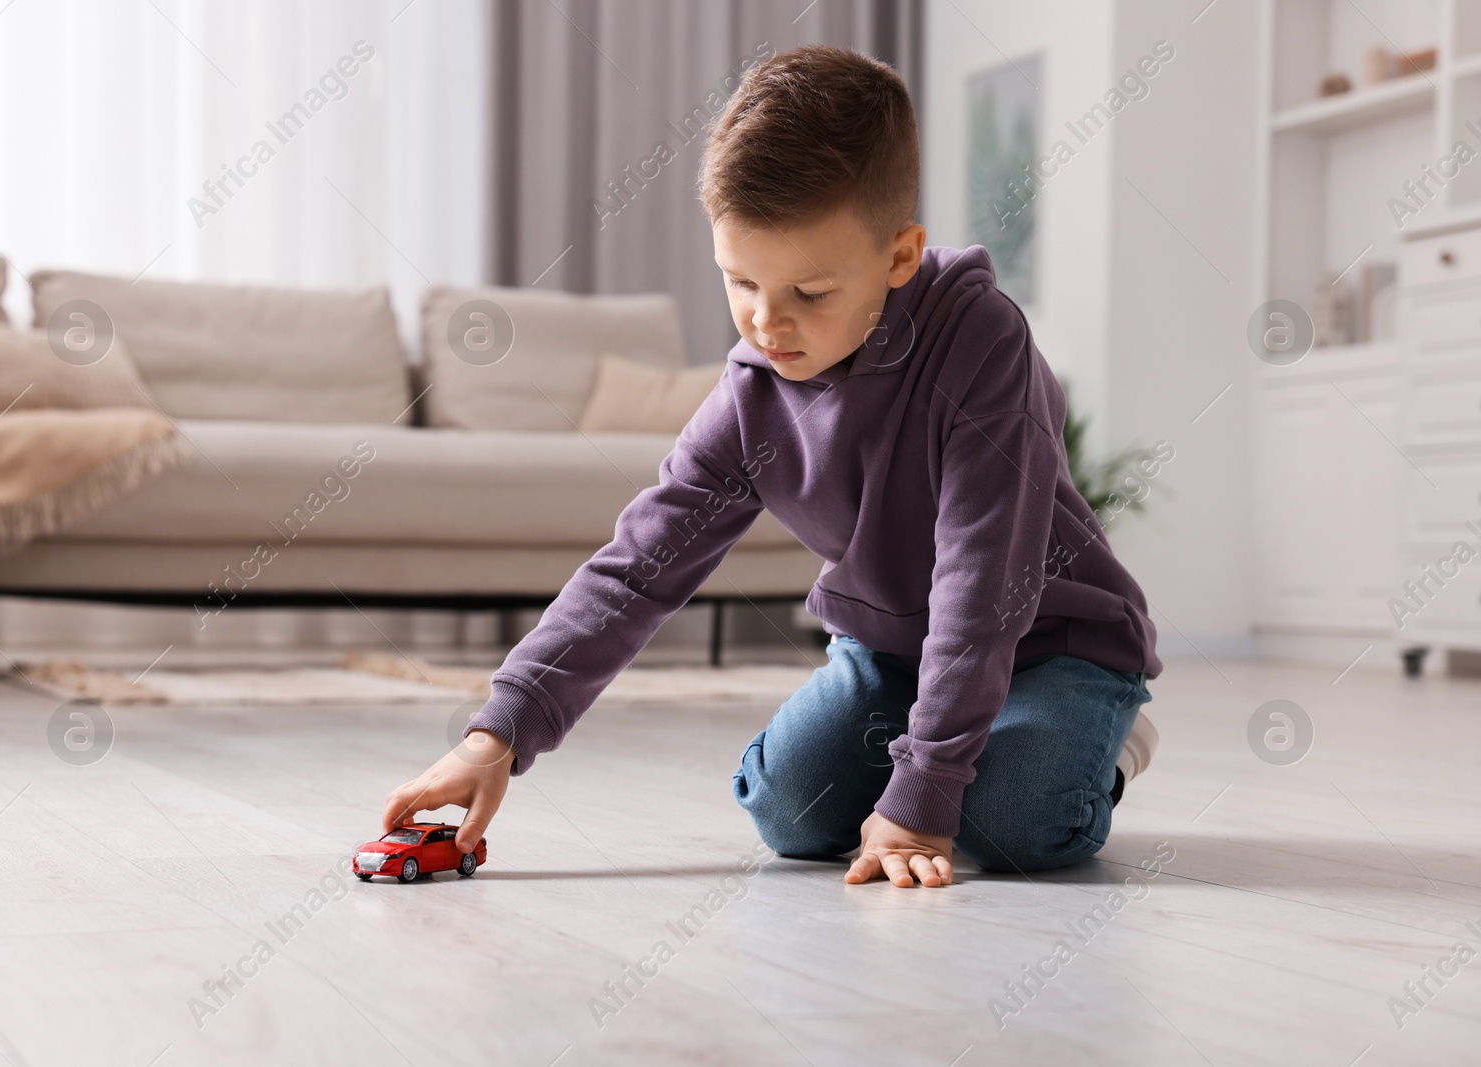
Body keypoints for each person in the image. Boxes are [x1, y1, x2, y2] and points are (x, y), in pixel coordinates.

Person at [383, 44, 1162, 888]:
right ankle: (938, 738)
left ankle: (1102, 734)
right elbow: (636, 571)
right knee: (787, 811)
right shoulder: (753, 395)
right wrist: (493, 735)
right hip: (894, 651)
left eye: (810, 293)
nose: (765, 321)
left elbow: (982, 586)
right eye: (739, 280)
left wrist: (927, 788)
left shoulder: (980, 345)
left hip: (1053, 641)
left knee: (1017, 825)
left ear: (900, 257)